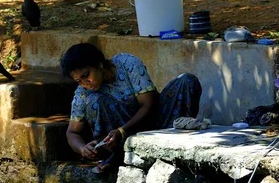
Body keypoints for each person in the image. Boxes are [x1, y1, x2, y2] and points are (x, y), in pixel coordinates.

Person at [60, 43, 202, 174]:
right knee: (96, 100)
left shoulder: (127, 63)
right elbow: (72, 132)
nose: (86, 83)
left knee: (187, 81)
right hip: (122, 143)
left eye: (86, 75)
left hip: (157, 124)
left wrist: (122, 130)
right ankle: (119, 158)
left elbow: (149, 103)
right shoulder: (83, 93)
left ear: (99, 64)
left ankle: (174, 151)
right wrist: (82, 148)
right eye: (79, 81)